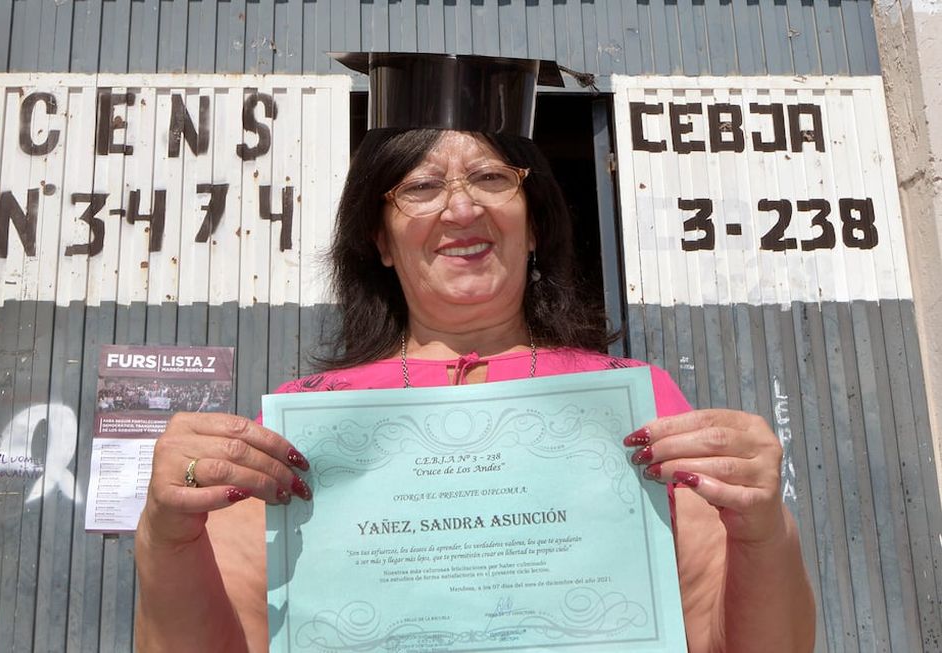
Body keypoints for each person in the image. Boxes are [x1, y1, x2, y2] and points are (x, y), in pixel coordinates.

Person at [135, 53, 815, 652]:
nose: (461, 210)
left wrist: (763, 530)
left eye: (491, 178)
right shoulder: (310, 427)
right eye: (421, 187)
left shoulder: (634, 406)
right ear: (380, 240)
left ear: (535, 222)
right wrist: (167, 537)